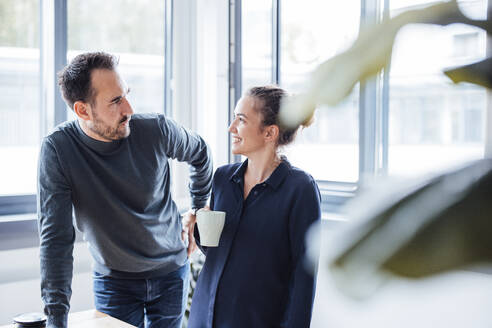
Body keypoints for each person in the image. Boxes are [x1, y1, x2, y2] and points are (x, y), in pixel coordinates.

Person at [37, 52, 212, 328]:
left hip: (171, 273)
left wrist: (198, 208)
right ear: (83, 110)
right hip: (114, 282)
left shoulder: (156, 129)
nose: (128, 108)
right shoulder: (58, 150)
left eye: (126, 94)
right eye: (115, 101)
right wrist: (56, 322)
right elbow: (55, 240)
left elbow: (201, 153)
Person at [187, 86, 321, 328]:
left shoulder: (300, 189)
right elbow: (219, 251)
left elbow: (304, 279)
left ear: (270, 133)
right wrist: (199, 225)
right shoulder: (223, 178)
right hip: (204, 316)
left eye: (241, 120)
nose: (231, 128)